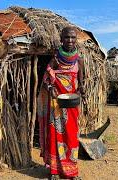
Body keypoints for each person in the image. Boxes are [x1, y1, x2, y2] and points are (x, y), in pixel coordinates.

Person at [38, 26, 84, 180]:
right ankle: (55, 171)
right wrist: (50, 88)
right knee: (55, 136)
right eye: (67, 37)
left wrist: (79, 91)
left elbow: (81, 84)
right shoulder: (56, 60)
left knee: (71, 136)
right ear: (61, 39)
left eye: (73, 38)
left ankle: (72, 171)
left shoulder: (79, 60)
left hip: (71, 105)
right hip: (56, 104)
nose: (70, 41)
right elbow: (46, 79)